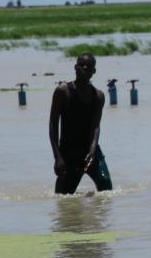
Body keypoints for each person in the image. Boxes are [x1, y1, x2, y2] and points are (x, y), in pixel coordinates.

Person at [48, 53, 113, 194]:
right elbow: (53, 124)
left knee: (106, 187)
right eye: (81, 65)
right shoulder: (63, 92)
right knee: (62, 198)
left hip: (90, 151)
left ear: (93, 72)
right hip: (68, 153)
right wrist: (57, 157)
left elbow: (96, 126)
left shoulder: (99, 96)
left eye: (89, 67)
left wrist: (92, 150)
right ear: (75, 67)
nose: (84, 68)